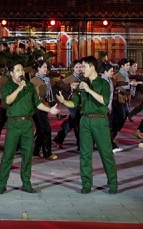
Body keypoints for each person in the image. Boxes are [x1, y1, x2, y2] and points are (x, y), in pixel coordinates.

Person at [55, 56, 118, 194]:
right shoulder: (81, 84)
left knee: (106, 153)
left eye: (84, 66)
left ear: (92, 67)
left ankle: (113, 183)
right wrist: (64, 101)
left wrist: (89, 90)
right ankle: (86, 184)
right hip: (84, 120)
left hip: (100, 120)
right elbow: (75, 103)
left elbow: (104, 100)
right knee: (85, 154)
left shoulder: (103, 83)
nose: (82, 69)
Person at [0, 60, 60, 194]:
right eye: (18, 70)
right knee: (8, 155)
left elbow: (37, 103)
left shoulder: (29, 86)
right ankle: (1, 185)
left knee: (27, 155)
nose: (21, 72)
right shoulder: (7, 86)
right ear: (11, 73)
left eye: (22, 70)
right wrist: (19, 88)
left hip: (28, 124)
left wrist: (50, 110)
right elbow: (7, 101)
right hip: (14, 124)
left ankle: (26, 183)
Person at [53, 60, 84, 150]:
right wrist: (70, 87)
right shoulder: (70, 78)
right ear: (73, 68)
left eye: (80, 67)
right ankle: (80, 144)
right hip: (72, 102)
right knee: (77, 122)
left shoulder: (83, 77)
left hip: (81, 102)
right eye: (76, 67)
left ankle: (59, 138)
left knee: (72, 121)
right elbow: (59, 84)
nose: (79, 69)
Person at [30, 59, 58, 160]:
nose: (46, 69)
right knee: (46, 129)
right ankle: (47, 153)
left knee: (41, 130)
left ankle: (35, 152)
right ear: (38, 68)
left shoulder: (46, 80)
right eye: (44, 67)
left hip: (43, 107)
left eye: (46, 67)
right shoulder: (34, 80)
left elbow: (48, 96)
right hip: (36, 108)